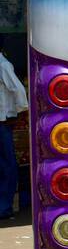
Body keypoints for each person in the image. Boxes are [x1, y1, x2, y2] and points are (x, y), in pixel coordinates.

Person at [0, 38, 27, 219]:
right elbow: (19, 91)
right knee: (7, 167)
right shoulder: (3, 65)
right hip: (2, 123)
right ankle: (3, 208)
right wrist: (21, 110)